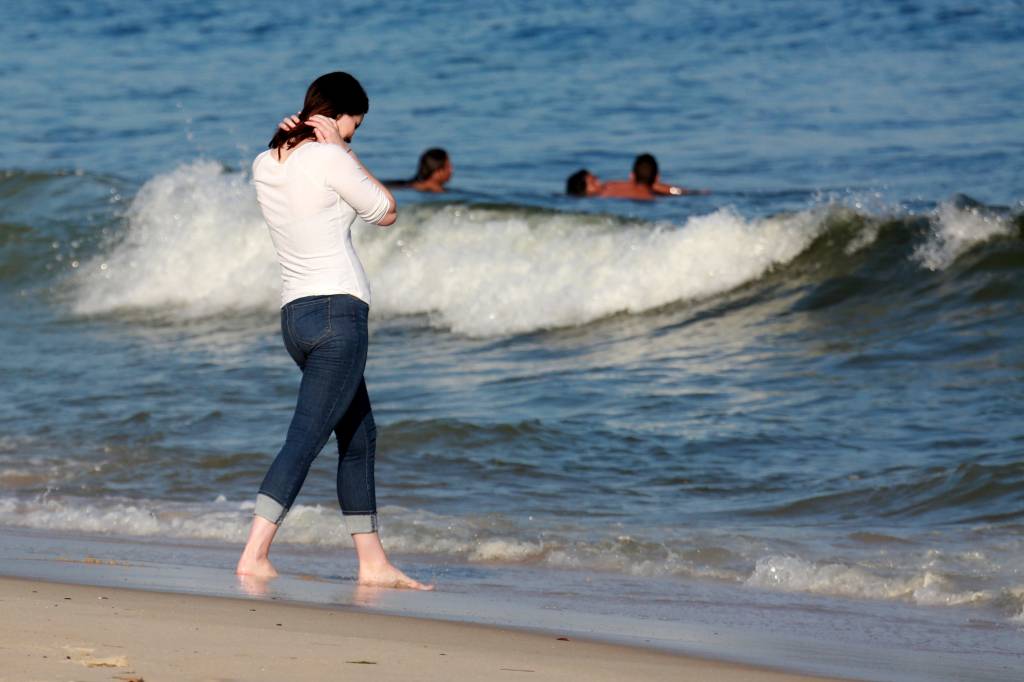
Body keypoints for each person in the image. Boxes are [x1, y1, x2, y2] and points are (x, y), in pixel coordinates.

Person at [238, 71, 432, 590]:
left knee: (359, 434)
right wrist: (344, 154)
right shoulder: (330, 157)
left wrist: (297, 137)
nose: (352, 135)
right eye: (353, 126)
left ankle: (372, 563)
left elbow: (301, 187)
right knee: (306, 437)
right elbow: (386, 211)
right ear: (336, 115)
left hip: (295, 318)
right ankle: (254, 554)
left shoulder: (265, 161)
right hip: (337, 317)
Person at [598, 153, 706, 200]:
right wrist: (695, 192)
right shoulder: (653, 195)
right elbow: (674, 191)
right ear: (657, 178)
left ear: (631, 176)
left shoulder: (609, 187)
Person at [387, 148, 452, 193]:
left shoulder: (407, 185)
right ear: (438, 171)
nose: (451, 170)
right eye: (448, 167)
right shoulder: (436, 190)